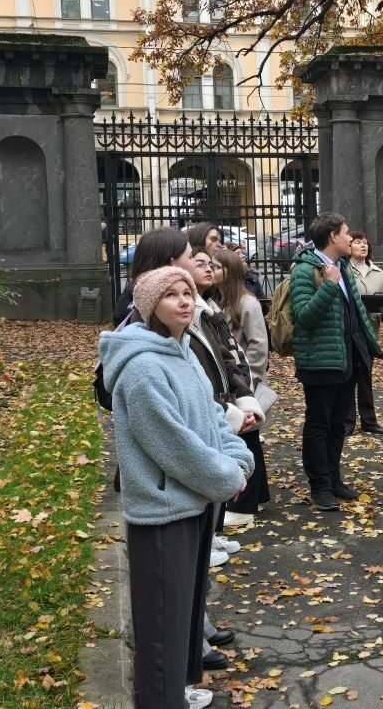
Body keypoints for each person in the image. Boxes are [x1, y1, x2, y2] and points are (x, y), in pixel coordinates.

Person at [99, 266, 253, 709]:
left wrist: (238, 461)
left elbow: (211, 422)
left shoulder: (183, 354)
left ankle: (176, 694)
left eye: (188, 292)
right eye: (171, 295)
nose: (185, 301)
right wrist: (227, 478)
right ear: (150, 307)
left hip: (194, 501)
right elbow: (174, 445)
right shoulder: (142, 369)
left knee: (182, 611)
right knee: (162, 620)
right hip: (163, 508)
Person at [290, 213, 383, 512]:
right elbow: (303, 317)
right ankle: (320, 486)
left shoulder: (343, 266)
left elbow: (354, 311)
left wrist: (367, 347)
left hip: (347, 358)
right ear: (332, 237)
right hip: (320, 362)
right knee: (319, 424)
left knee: (338, 425)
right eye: (346, 234)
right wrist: (329, 286)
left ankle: (333, 478)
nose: (350, 239)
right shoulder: (305, 270)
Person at [212, 248, 272, 524]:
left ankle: (246, 505)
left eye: (217, 267)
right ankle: (258, 495)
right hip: (234, 382)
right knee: (246, 440)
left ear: (230, 272)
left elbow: (259, 345)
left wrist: (252, 382)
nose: (211, 271)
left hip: (245, 384)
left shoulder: (247, 304)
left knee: (247, 440)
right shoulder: (219, 301)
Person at [345, 230, 383, 435]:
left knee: (366, 376)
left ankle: (369, 421)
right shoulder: (344, 270)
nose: (363, 246)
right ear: (349, 247)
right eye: (357, 242)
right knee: (348, 376)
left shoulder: (378, 273)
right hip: (349, 330)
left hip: (370, 331)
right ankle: (347, 422)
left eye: (365, 243)